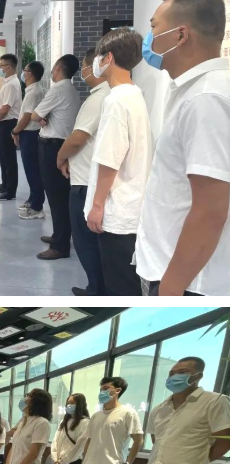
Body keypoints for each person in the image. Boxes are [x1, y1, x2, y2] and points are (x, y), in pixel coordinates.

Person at [135, 0, 230, 296]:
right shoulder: (197, 91)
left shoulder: (206, 98)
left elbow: (211, 209)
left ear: (180, 35)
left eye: (154, 27)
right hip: (175, 270)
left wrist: (171, 289)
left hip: (188, 282)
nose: (148, 38)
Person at [84, 28, 153, 296]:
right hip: (133, 206)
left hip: (118, 211)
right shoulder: (134, 93)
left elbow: (110, 159)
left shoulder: (116, 100)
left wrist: (97, 205)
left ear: (109, 58)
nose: (95, 63)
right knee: (127, 282)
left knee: (120, 286)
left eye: (99, 57)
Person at [56, 49, 111, 296]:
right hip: (91, 178)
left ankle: (96, 291)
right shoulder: (109, 95)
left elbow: (78, 138)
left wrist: (61, 156)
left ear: (98, 65)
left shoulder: (99, 98)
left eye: (86, 66)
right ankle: (97, 288)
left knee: (86, 242)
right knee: (92, 242)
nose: (84, 72)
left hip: (85, 182)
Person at [32, 54, 81, 260]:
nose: (51, 71)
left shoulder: (58, 89)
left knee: (56, 197)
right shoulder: (71, 90)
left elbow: (35, 115)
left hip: (53, 147)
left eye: (53, 67)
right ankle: (59, 235)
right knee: (59, 195)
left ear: (59, 68)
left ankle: (60, 246)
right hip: (60, 144)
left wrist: (42, 116)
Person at [13, 60, 46, 220]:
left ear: (30, 74)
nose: (23, 72)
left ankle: (37, 207)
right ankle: (33, 199)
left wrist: (15, 130)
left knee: (33, 171)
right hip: (28, 133)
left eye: (25, 70)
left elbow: (27, 117)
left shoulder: (34, 92)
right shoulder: (32, 90)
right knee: (30, 170)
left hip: (31, 134)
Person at [0, 53, 22, 201]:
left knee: (8, 157)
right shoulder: (8, 82)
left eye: (1, 66)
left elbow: (5, 108)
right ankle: (5, 184)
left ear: (9, 67)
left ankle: (10, 191)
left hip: (8, 123)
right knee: (2, 156)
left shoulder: (11, 84)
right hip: (3, 123)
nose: (0, 68)